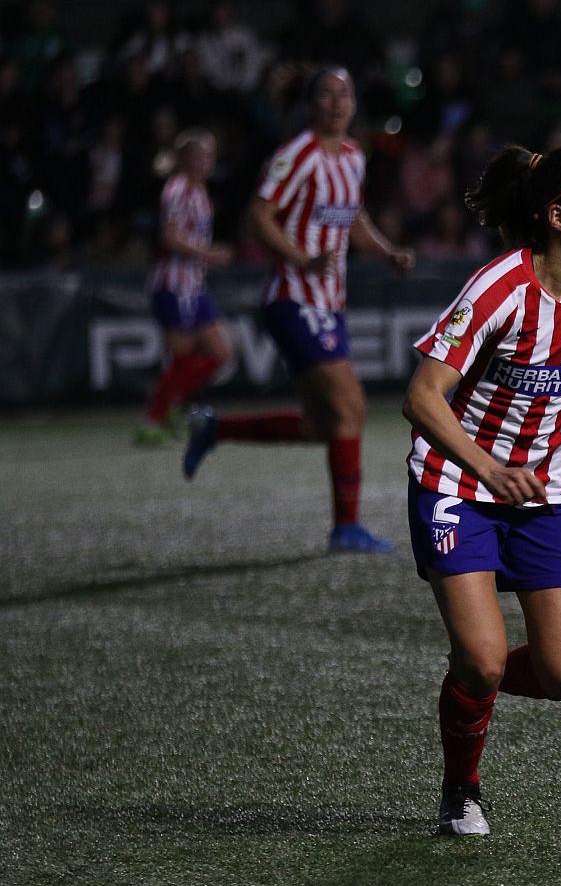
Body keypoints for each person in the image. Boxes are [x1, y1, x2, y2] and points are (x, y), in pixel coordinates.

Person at [402, 144, 561, 836]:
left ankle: (468, 686)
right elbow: (421, 398)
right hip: (457, 482)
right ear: (559, 217)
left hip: (548, 493)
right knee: (483, 655)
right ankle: (461, 787)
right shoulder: (499, 289)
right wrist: (486, 466)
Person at [183, 66, 414, 553]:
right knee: (351, 407)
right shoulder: (296, 156)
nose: (335, 103)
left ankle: (214, 428)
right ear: (311, 105)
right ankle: (346, 527)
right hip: (295, 299)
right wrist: (300, 258)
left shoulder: (352, 156)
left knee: (324, 425)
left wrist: (386, 250)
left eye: (343, 94)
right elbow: (257, 217)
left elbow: (353, 220)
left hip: (328, 306)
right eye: (325, 95)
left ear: (353, 104)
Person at [137, 128, 234, 445]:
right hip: (173, 284)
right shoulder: (177, 190)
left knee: (221, 353)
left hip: (194, 285)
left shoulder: (200, 192)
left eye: (210, 155)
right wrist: (210, 254)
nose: (206, 161)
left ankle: (169, 404)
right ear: (183, 159)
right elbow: (169, 237)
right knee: (180, 359)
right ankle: (154, 420)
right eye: (199, 154)